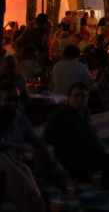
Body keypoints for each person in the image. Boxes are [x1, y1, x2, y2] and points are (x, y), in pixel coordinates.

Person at [0, 82, 72, 212]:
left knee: (41, 161)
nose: (14, 103)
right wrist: (34, 194)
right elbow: (12, 169)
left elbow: (37, 143)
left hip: (20, 166)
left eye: (16, 99)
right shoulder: (5, 121)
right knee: (16, 182)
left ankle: (60, 192)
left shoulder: (19, 118)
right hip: (7, 174)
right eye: (8, 99)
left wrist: (55, 165)